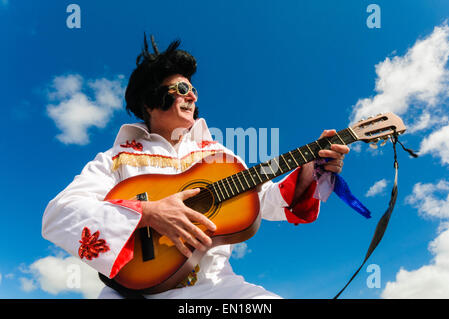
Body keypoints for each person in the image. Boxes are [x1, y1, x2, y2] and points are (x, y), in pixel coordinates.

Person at [42, 35, 349, 299]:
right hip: (133, 292)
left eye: (193, 90)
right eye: (180, 89)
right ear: (150, 101)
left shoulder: (218, 155)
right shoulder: (115, 158)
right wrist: (149, 213)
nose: (192, 95)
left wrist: (311, 167)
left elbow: (266, 201)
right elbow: (60, 214)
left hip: (217, 290)